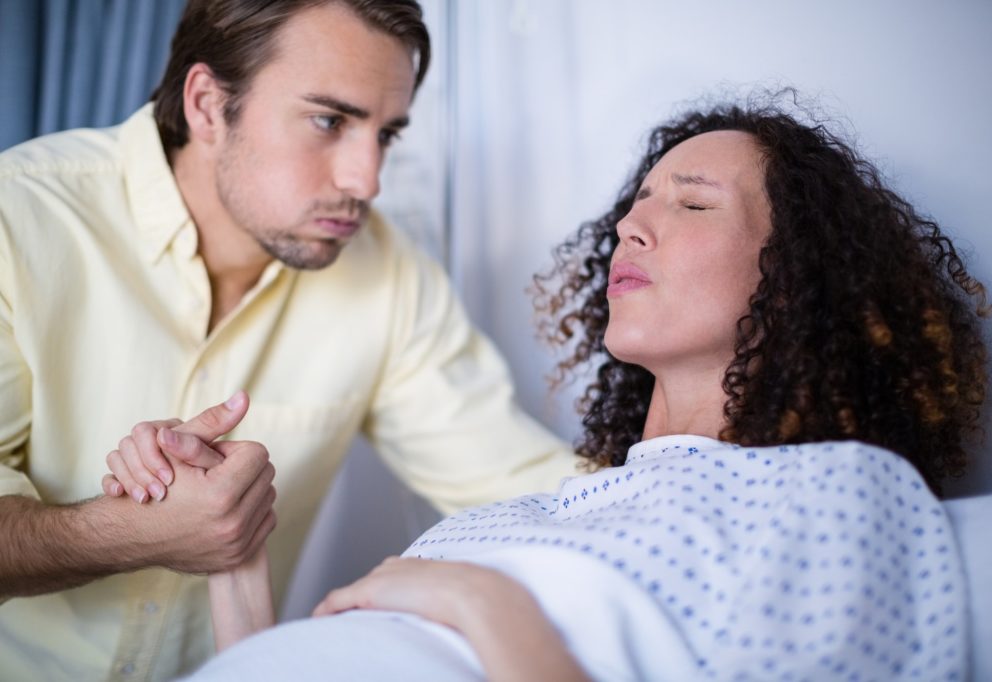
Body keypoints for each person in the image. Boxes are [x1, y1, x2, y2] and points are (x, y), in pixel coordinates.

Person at [114, 94, 989, 680]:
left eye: (690, 205)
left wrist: (479, 601)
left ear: (797, 276)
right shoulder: (543, 510)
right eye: (636, 204)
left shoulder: (838, 494)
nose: (631, 227)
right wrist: (232, 560)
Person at [0, 1, 576, 678]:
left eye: (385, 134)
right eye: (329, 121)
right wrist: (125, 532)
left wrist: (704, 487)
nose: (367, 180)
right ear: (208, 105)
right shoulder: (19, 219)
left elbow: (524, 485)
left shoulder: (389, 277)